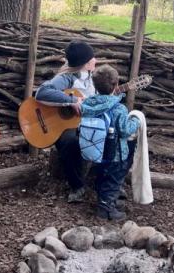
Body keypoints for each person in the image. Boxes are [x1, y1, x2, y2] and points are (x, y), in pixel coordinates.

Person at [35, 40, 96, 203]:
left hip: (84, 121)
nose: (95, 61)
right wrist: (72, 100)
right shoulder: (67, 77)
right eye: (92, 59)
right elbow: (42, 93)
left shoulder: (92, 77)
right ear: (85, 63)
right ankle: (77, 186)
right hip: (60, 124)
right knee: (69, 142)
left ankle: (107, 185)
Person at [79, 65, 141, 220]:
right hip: (116, 153)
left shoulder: (88, 105)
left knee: (102, 176)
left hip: (95, 150)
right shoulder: (118, 108)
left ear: (94, 85)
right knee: (113, 181)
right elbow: (126, 131)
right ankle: (106, 210)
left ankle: (107, 201)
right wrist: (135, 120)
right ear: (116, 85)